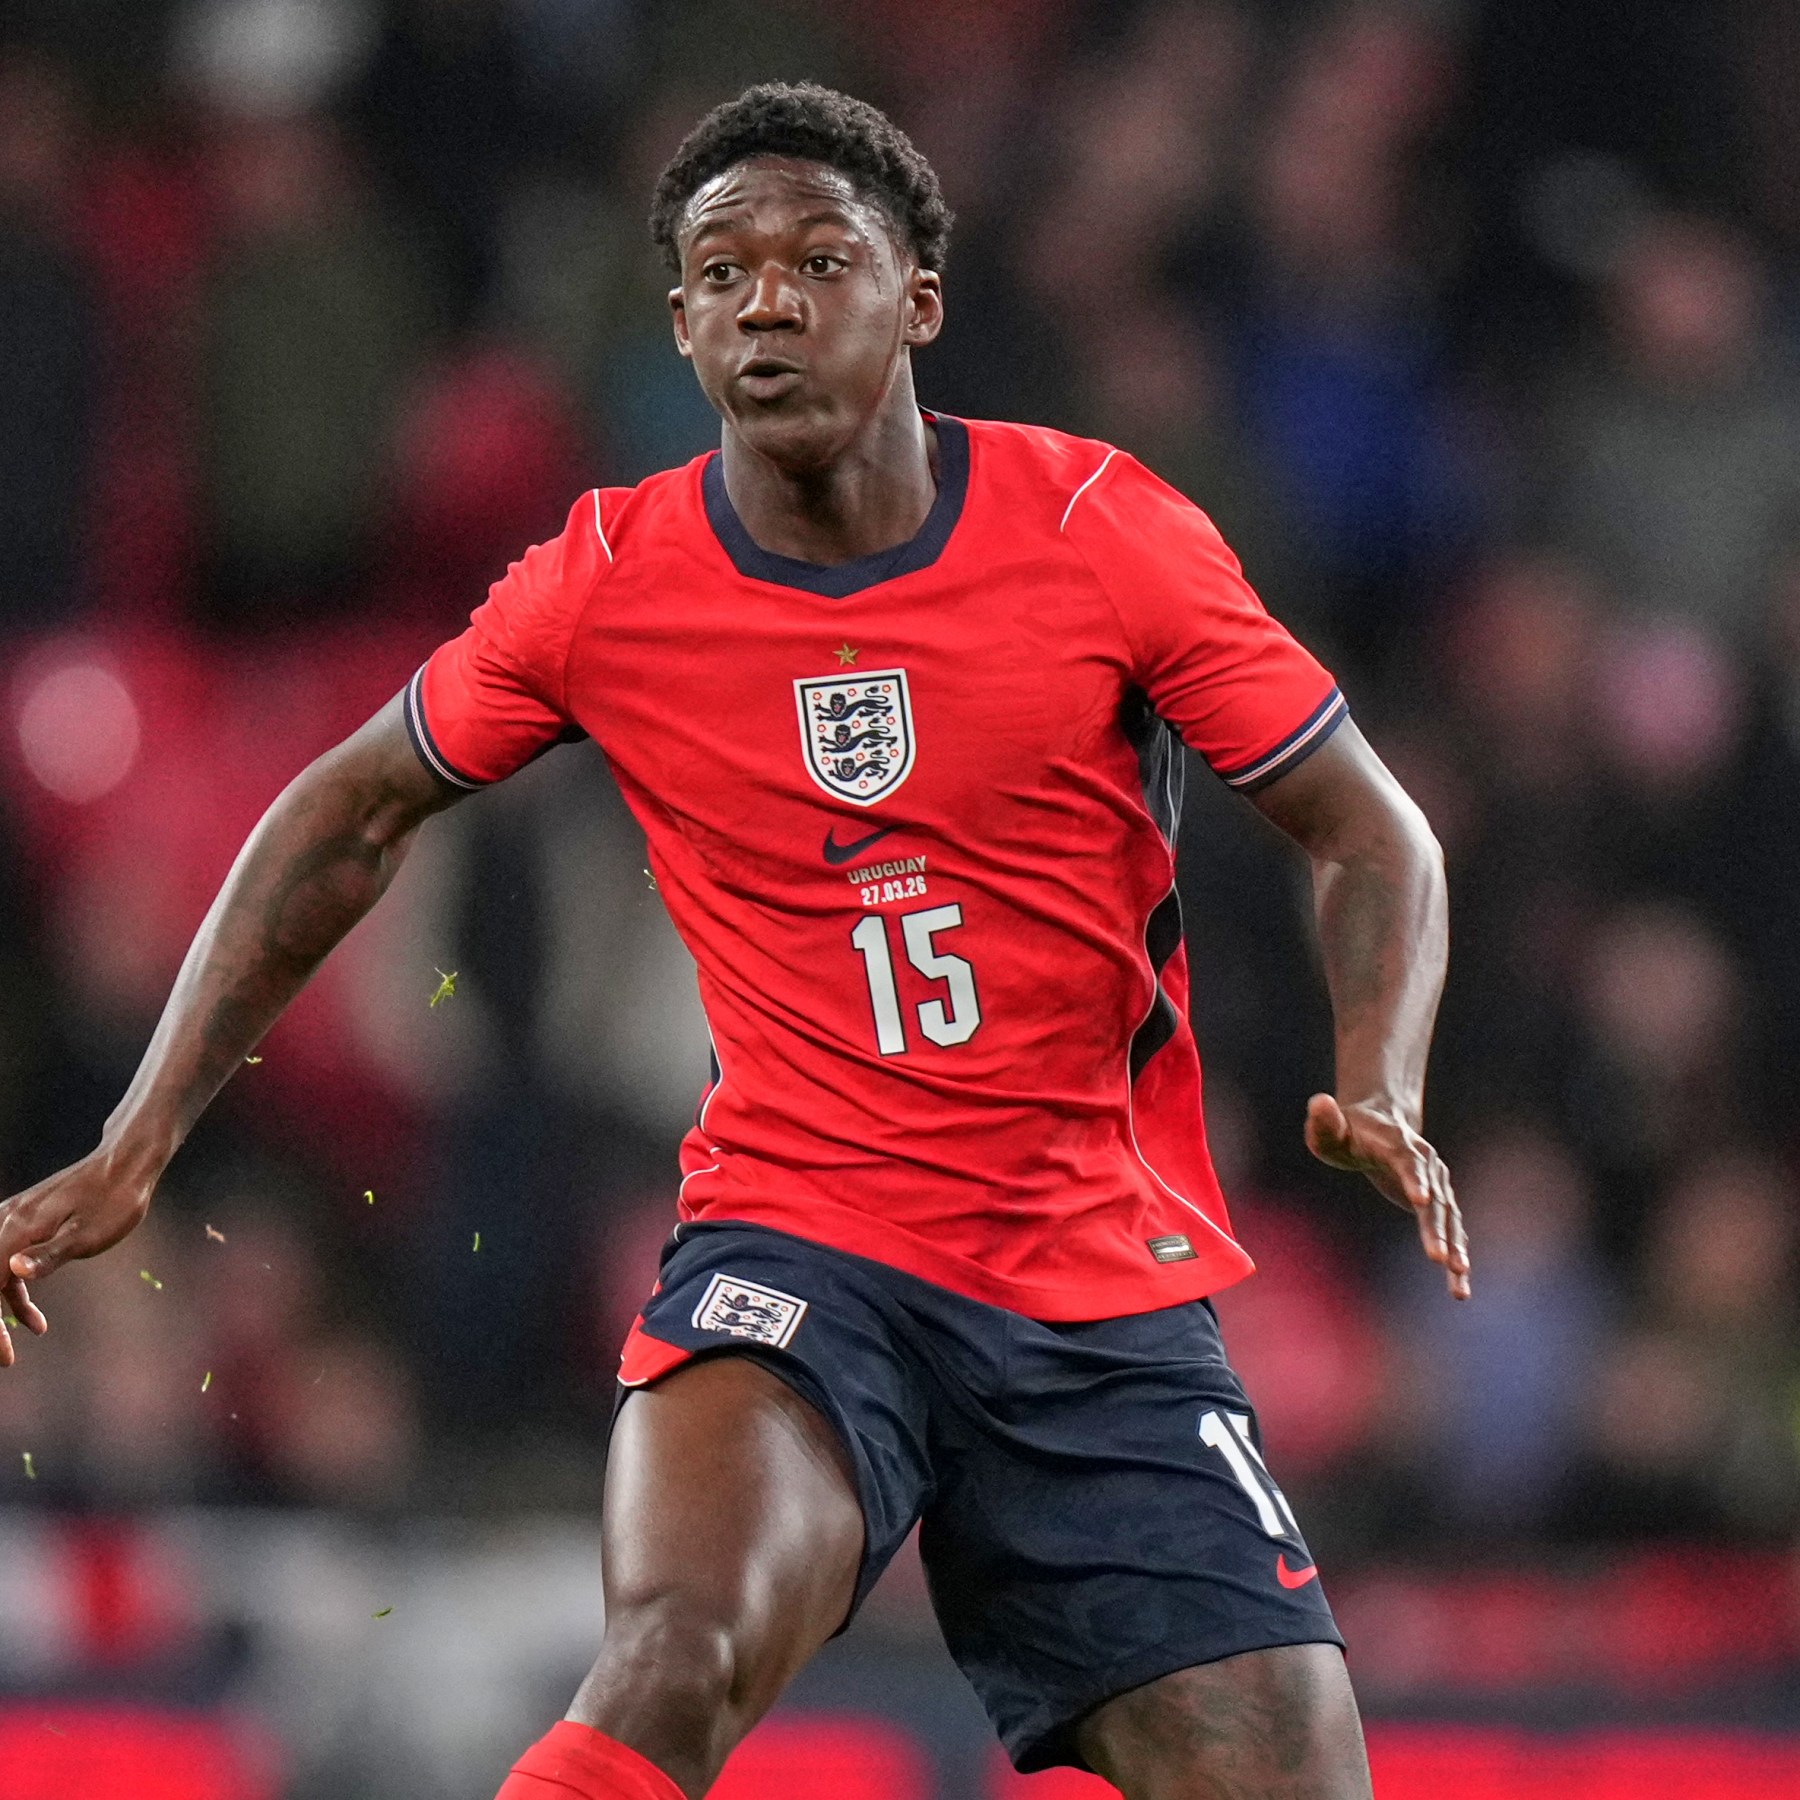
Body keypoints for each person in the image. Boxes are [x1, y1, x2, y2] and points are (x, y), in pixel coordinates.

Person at [0, 84, 1468, 1800]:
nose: (768, 302)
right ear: (683, 323)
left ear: (919, 300)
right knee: (675, 1656)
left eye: (819, 261)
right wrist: (140, 1138)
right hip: (805, 1255)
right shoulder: (610, 578)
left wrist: (1383, 1074)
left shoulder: (1101, 531)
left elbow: (1372, 829)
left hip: (1093, 1291)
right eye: (722, 272)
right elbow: (347, 810)